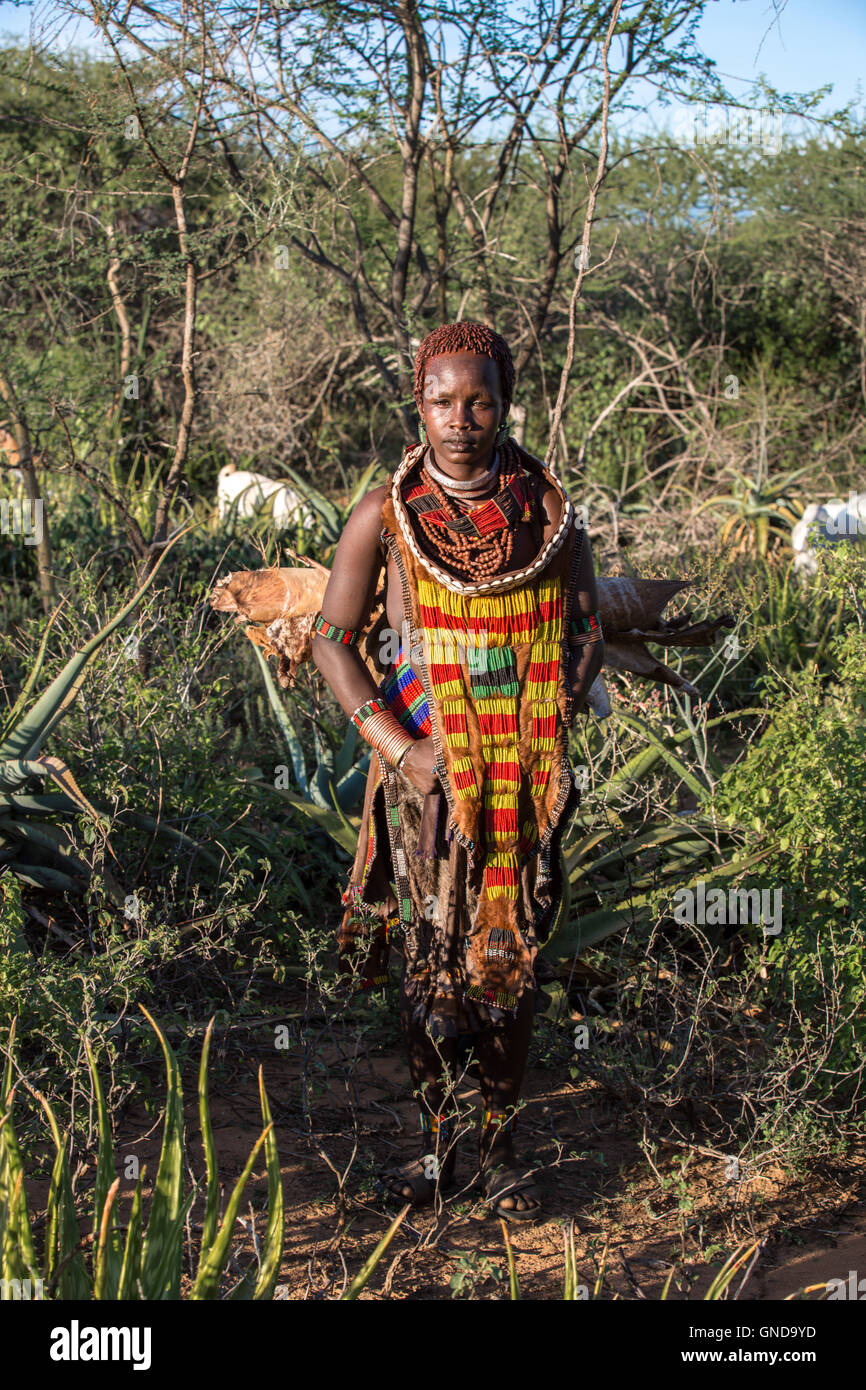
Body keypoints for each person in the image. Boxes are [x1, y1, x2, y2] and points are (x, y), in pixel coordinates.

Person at [312, 321, 604, 1221]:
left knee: (507, 961)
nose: (462, 418)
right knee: (428, 966)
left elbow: (586, 630)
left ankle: (501, 1147)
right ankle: (439, 1149)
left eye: (480, 399)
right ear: (419, 403)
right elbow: (333, 640)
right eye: (444, 400)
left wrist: (537, 721)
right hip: (424, 784)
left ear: (505, 401)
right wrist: (405, 750)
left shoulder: (546, 515)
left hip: (518, 782)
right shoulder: (385, 514)